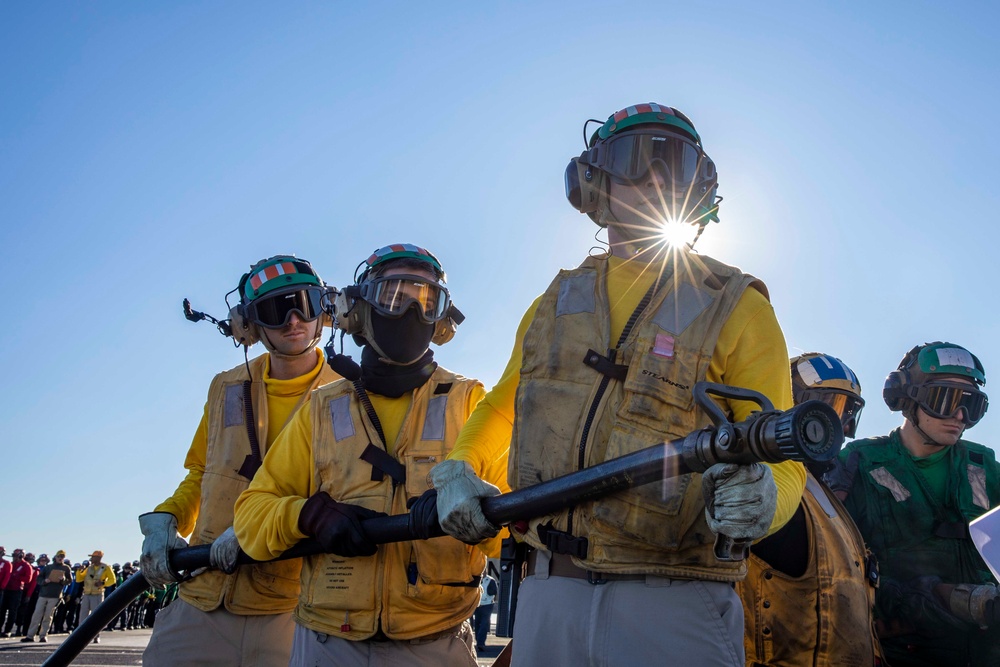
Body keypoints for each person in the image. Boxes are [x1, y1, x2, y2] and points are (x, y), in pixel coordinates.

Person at [428, 102, 806, 666]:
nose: (654, 177)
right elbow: (508, 407)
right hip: (548, 593)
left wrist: (768, 498)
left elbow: (784, 451)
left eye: (674, 164)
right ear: (593, 180)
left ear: (699, 188)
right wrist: (460, 466)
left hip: (674, 602)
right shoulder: (552, 304)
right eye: (635, 158)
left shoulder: (739, 307)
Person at [235, 244, 487, 667]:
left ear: (441, 320)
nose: (409, 313)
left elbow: (517, 528)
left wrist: (478, 514)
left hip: (436, 641)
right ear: (357, 310)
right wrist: (308, 516)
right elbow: (250, 517)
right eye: (393, 296)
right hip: (328, 644)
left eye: (426, 301)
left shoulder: (469, 402)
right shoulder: (322, 408)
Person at [140, 255, 339, 667]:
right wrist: (169, 518)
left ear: (327, 309)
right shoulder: (225, 387)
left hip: (294, 607)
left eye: (305, 303)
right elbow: (202, 473)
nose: (294, 320)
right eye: (274, 310)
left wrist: (257, 528)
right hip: (204, 595)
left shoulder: (348, 395)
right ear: (247, 325)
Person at [832, 342, 999, 666]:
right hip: (901, 653)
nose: (960, 416)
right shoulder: (858, 464)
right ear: (906, 399)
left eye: (971, 405)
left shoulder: (985, 466)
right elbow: (833, 569)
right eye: (945, 400)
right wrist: (943, 599)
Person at [738, 353, 882, 665]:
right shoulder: (764, 484)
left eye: (845, 414)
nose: (834, 426)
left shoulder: (825, 497)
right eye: (825, 408)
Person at [23, 550, 72, 643]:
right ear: (55, 557)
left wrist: (63, 580)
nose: (60, 558)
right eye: (59, 556)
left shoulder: (66, 568)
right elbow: (39, 579)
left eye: (62, 557)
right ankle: (30, 635)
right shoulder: (48, 567)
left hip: (55, 595)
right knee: (36, 615)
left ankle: (43, 635)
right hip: (43, 594)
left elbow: (69, 581)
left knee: (48, 616)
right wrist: (44, 581)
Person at [79, 550, 117, 643]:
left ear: (98, 558)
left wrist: (103, 583)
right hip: (87, 593)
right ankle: (80, 636)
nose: (91, 559)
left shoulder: (105, 567)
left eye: (93, 557)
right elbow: (79, 578)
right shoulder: (89, 568)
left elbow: (113, 580)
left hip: (97, 594)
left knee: (96, 616)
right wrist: (79, 571)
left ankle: (96, 635)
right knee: (83, 615)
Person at [1, 549, 34, 637]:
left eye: (16, 555)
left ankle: (7, 630)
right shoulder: (12, 564)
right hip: (7, 589)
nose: (14, 557)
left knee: (12, 611)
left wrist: (18, 577)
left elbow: (28, 579)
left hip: (16, 591)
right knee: (2, 610)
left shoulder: (26, 565)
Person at [472, 570, 497, 653]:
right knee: (477, 623)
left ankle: (480, 642)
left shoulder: (490, 580)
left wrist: (488, 594)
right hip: (477, 604)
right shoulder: (476, 579)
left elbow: (494, 591)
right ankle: (478, 640)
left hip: (487, 605)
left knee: (484, 623)